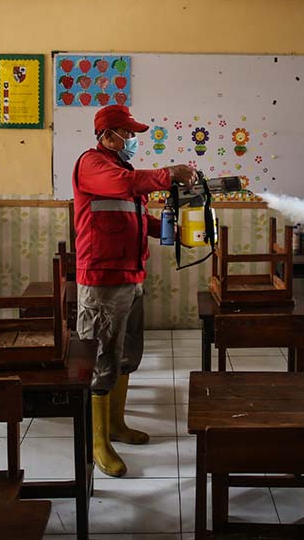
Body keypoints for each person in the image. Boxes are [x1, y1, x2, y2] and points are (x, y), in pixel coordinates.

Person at [72, 104, 196, 477]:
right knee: (100, 357)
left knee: (127, 353)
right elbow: (128, 186)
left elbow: (137, 215)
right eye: (128, 134)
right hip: (101, 278)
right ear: (107, 135)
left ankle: (115, 425)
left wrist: (173, 232)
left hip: (131, 274)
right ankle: (97, 443)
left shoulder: (123, 169)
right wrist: (169, 173)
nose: (133, 141)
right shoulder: (93, 165)